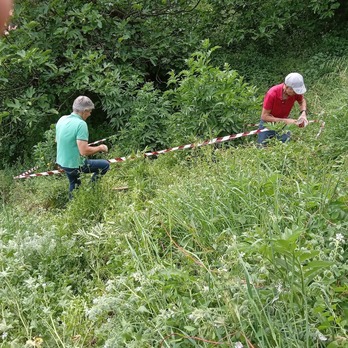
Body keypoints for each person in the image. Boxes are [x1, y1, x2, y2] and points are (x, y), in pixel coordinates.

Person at [56, 96, 110, 198]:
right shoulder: (81, 124)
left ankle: (73, 206)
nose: (90, 114)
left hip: (62, 162)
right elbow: (84, 151)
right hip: (74, 164)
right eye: (89, 111)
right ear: (84, 111)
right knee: (105, 165)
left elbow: (59, 140)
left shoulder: (62, 119)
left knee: (75, 183)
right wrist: (101, 148)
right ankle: (92, 191)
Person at [257, 72, 308, 145]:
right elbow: (264, 116)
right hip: (267, 123)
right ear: (287, 87)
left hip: (283, 123)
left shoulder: (295, 93)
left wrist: (303, 113)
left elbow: (302, 101)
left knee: (286, 145)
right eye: (294, 91)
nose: (296, 93)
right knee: (261, 147)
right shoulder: (272, 94)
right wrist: (286, 121)